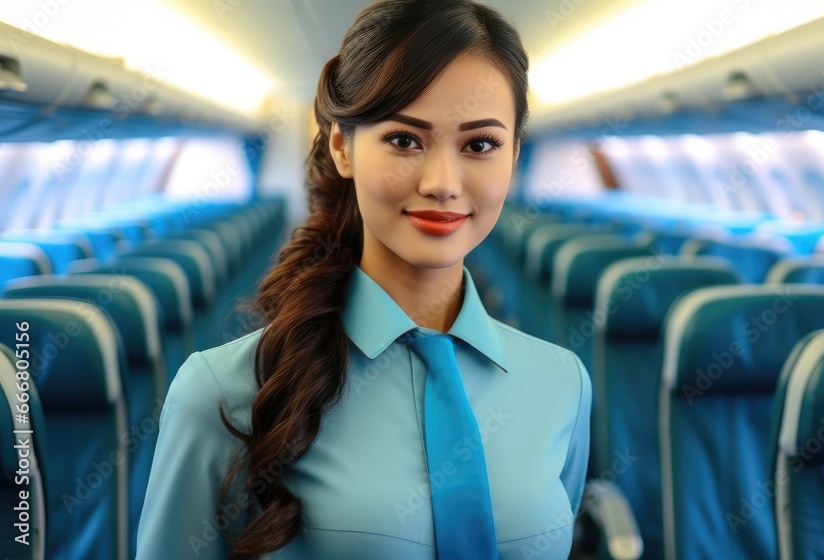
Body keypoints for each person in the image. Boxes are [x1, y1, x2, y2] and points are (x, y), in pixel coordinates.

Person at [135, 1, 592, 559]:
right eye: (405, 140)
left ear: (515, 155)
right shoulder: (223, 394)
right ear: (342, 147)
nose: (443, 183)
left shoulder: (562, 383)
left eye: (479, 144)